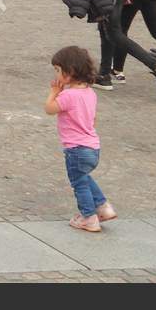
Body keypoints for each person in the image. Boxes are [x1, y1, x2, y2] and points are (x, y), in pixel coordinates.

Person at [46, 44, 113, 234]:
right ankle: (103, 208)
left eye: (58, 71)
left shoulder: (68, 95)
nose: (57, 75)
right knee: (84, 177)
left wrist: (53, 93)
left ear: (70, 72)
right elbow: (93, 119)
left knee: (78, 183)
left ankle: (88, 217)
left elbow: (49, 109)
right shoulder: (90, 93)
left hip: (75, 149)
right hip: (93, 147)